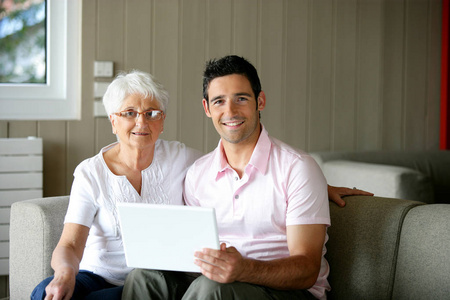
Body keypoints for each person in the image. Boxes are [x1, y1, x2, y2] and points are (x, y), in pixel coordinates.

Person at [121, 55, 372, 299]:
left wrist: (244, 269)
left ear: (260, 101)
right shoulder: (198, 173)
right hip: (216, 284)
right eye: (219, 101)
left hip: (289, 292)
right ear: (207, 108)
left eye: (241, 98)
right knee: (145, 277)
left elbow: (307, 270)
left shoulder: (298, 168)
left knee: (212, 290)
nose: (230, 111)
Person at [31, 70, 203, 300]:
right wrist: (64, 273)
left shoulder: (182, 158)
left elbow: (224, 165)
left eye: (151, 113)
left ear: (162, 121)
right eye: (129, 113)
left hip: (155, 282)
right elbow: (70, 244)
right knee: (44, 292)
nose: (141, 122)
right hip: (96, 275)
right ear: (113, 121)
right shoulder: (90, 172)